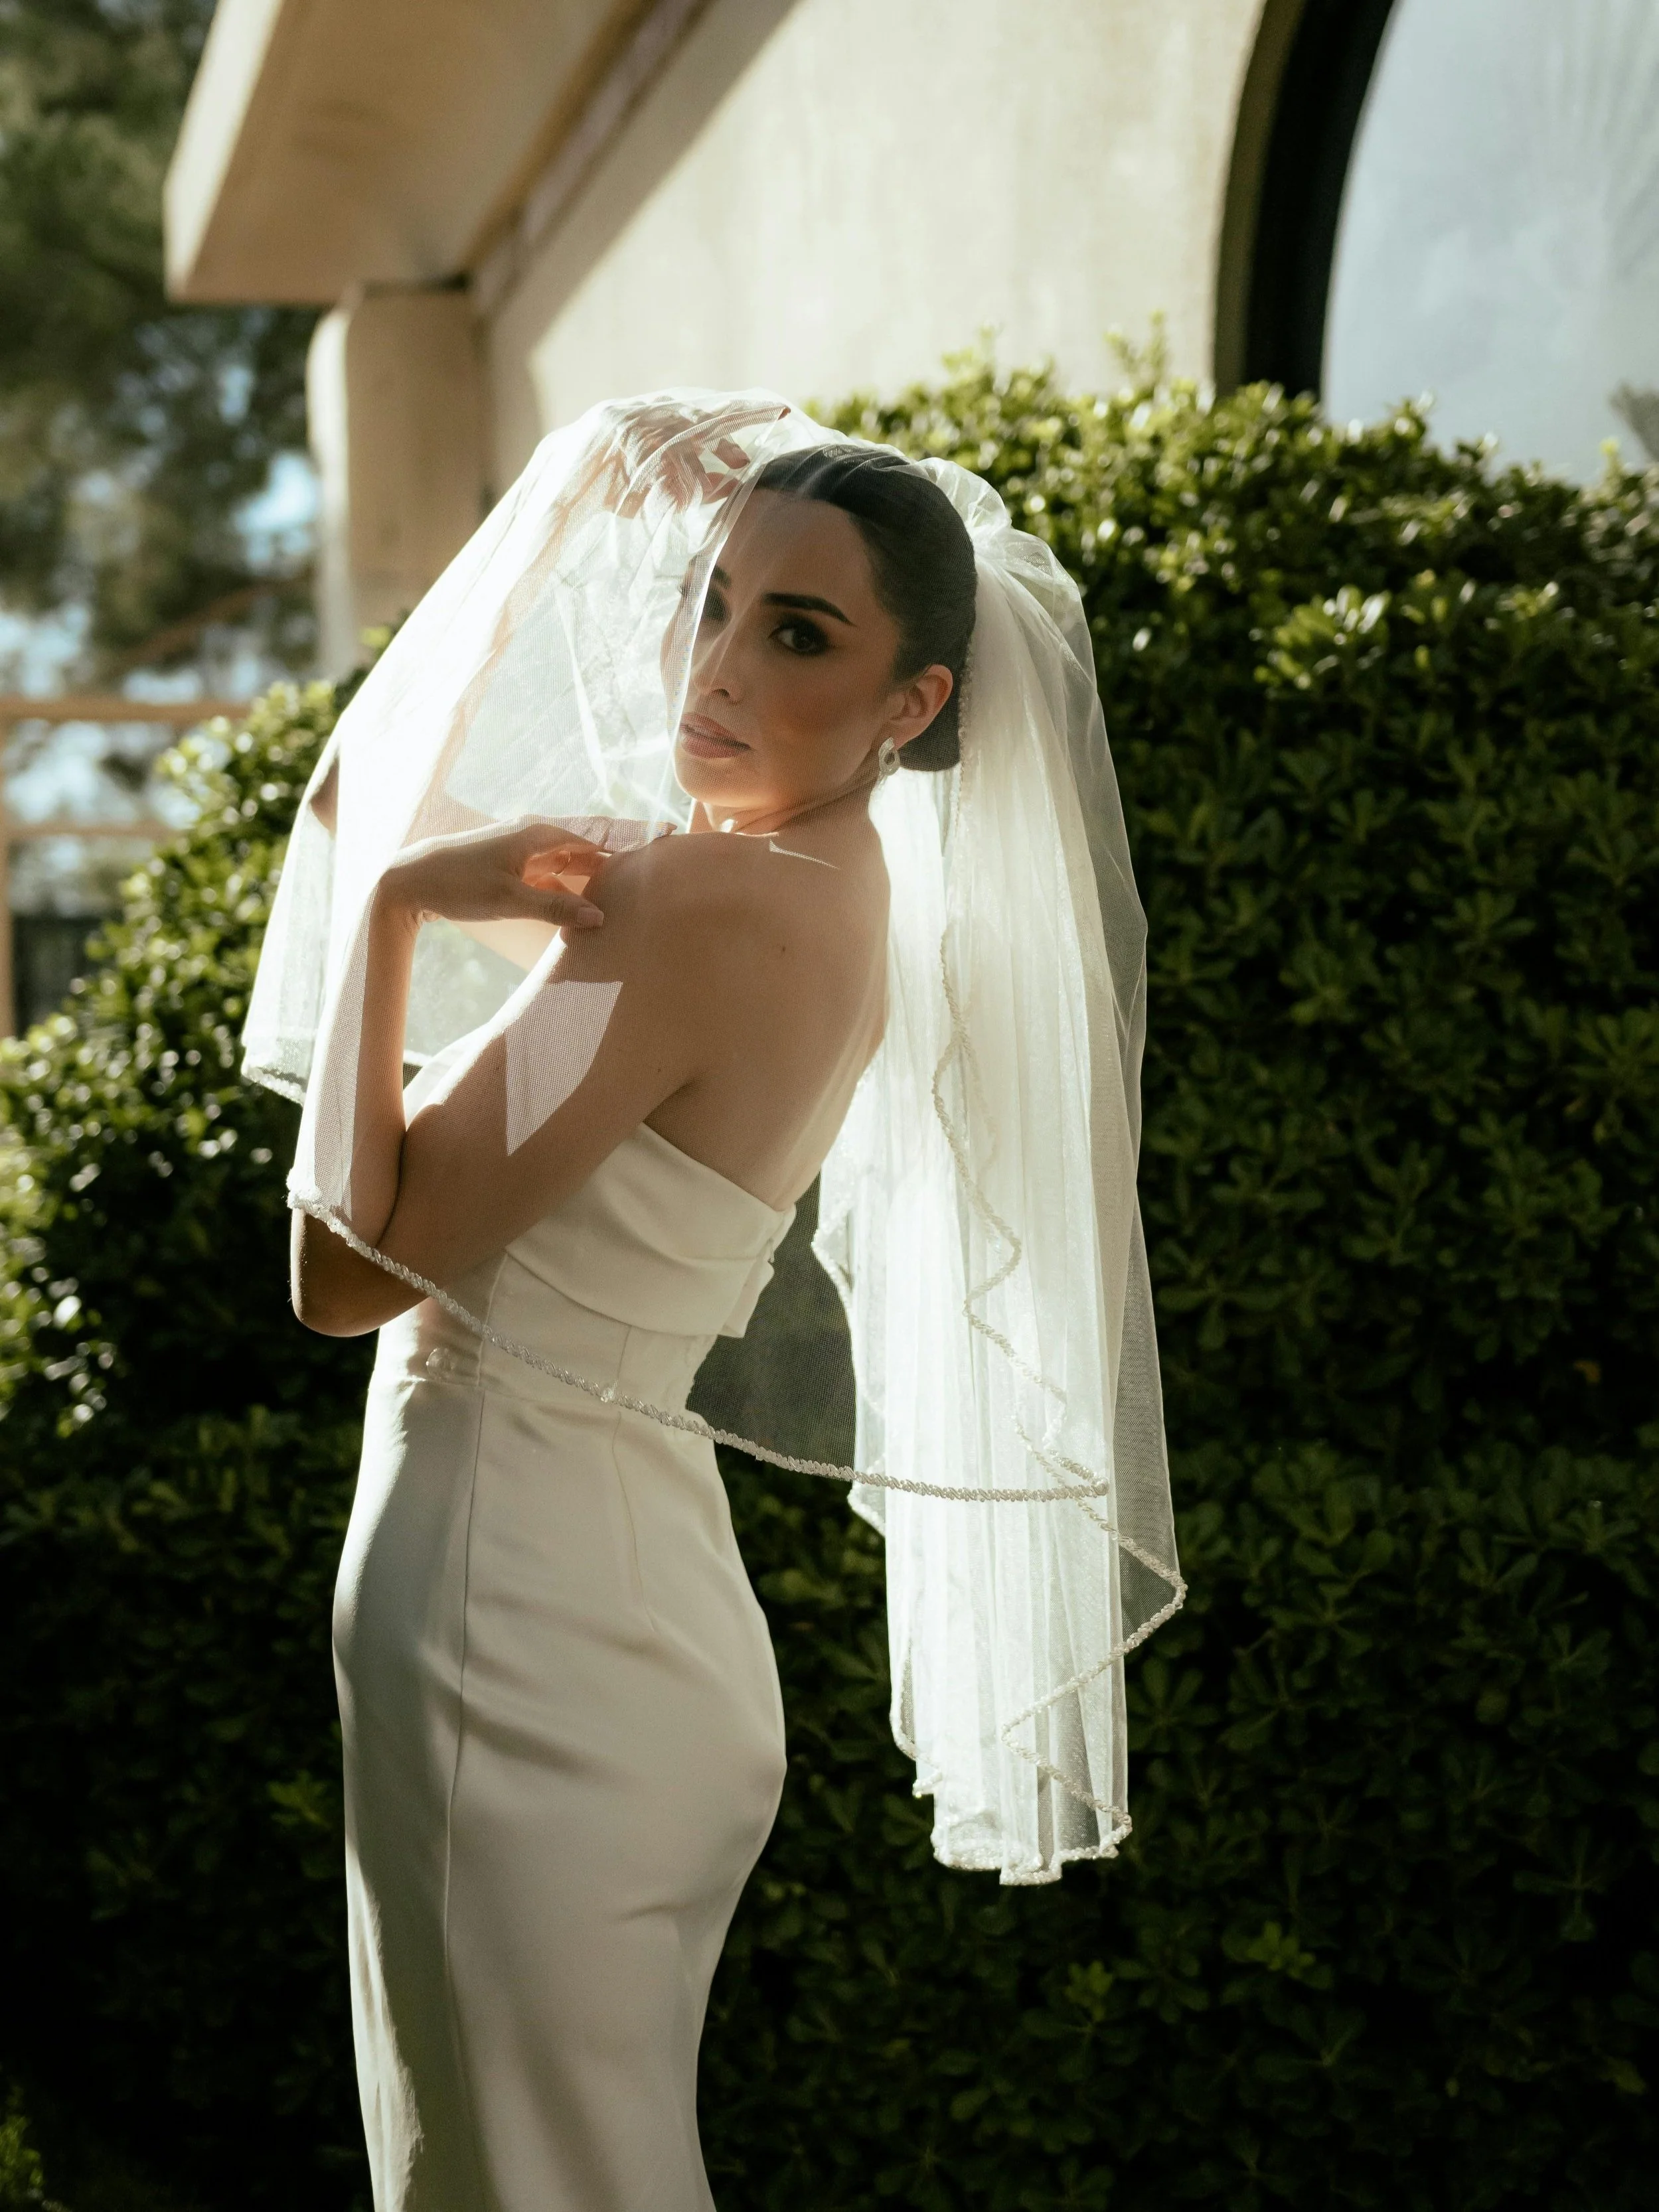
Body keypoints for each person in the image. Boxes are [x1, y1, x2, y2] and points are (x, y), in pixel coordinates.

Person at [245, 397, 1182, 2211]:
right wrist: (570, 507)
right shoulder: (823, 898)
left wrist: (396, 919)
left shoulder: (688, 910)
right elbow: (381, 811)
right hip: (623, 1614)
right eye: (712, 601)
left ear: (914, 703)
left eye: (799, 633)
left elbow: (345, 1269)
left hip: (519, 1613)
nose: (722, 666)